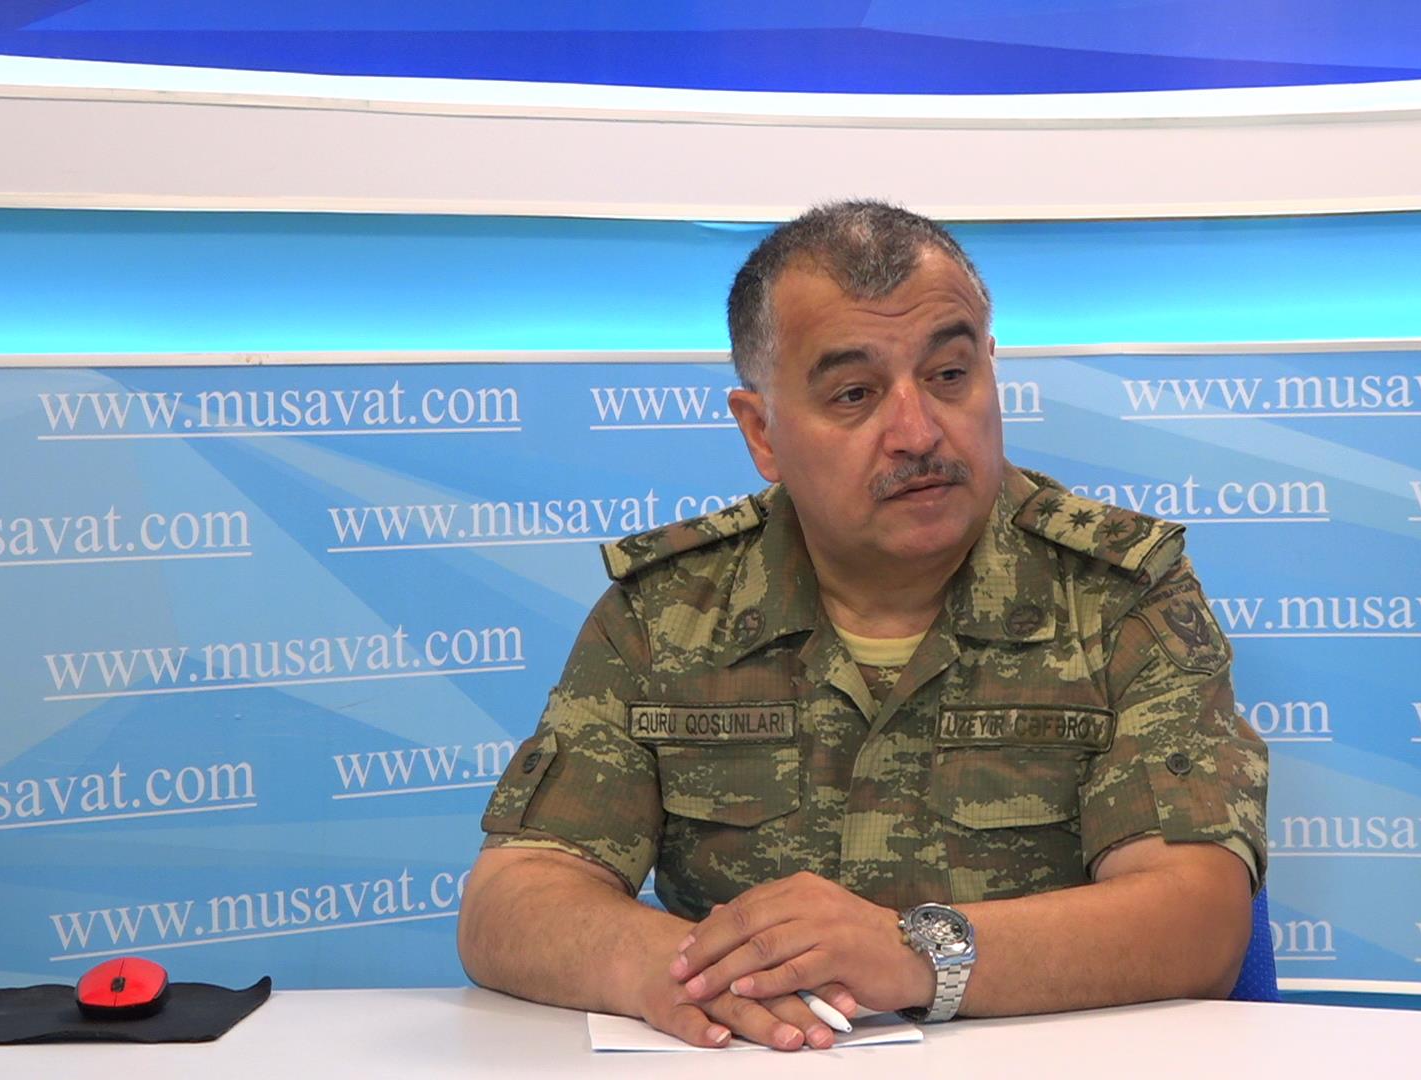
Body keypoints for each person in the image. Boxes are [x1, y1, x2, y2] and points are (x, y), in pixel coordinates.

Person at [456, 201, 1268, 1051]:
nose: (917, 432)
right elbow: (513, 898)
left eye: (949, 375)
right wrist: (683, 969)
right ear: (762, 433)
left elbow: (1199, 921)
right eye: (855, 394)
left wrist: (916, 954)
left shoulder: (1118, 593)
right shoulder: (666, 613)